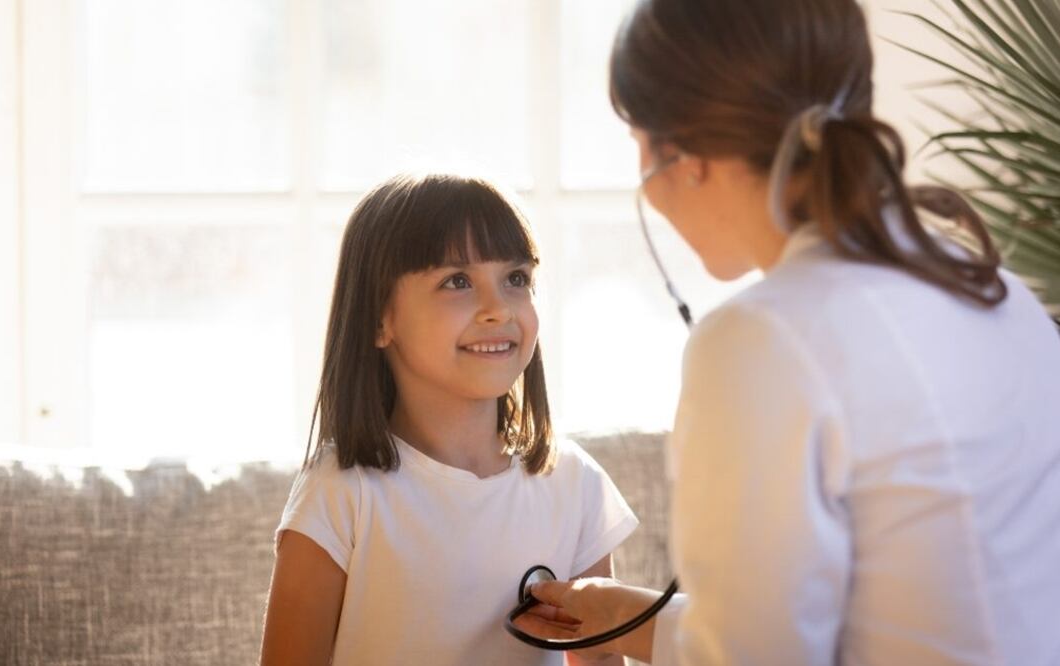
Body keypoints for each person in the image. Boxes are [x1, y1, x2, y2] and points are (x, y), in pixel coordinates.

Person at [514, 0, 1060, 664]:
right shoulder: (994, 292)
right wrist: (625, 618)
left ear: (679, 155)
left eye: (637, 144)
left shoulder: (762, 342)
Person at [258, 173, 638, 666]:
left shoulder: (575, 484)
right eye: (457, 281)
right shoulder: (341, 493)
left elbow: (600, 658)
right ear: (379, 318)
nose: (498, 309)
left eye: (516, 279)